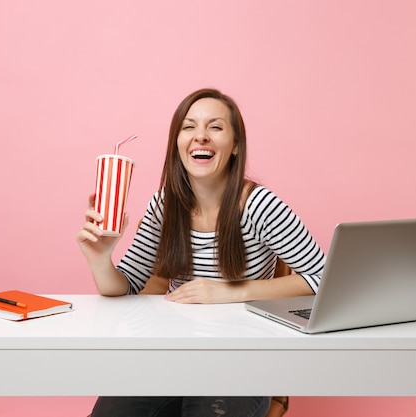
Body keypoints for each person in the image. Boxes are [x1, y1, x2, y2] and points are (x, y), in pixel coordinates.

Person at [77, 88, 326, 417]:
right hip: (169, 355)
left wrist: (227, 292)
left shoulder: (259, 205)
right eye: (189, 127)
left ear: (235, 145)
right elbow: (126, 287)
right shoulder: (165, 205)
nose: (201, 137)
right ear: (177, 142)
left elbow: (323, 278)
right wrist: (100, 258)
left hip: (240, 361)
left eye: (216, 127)